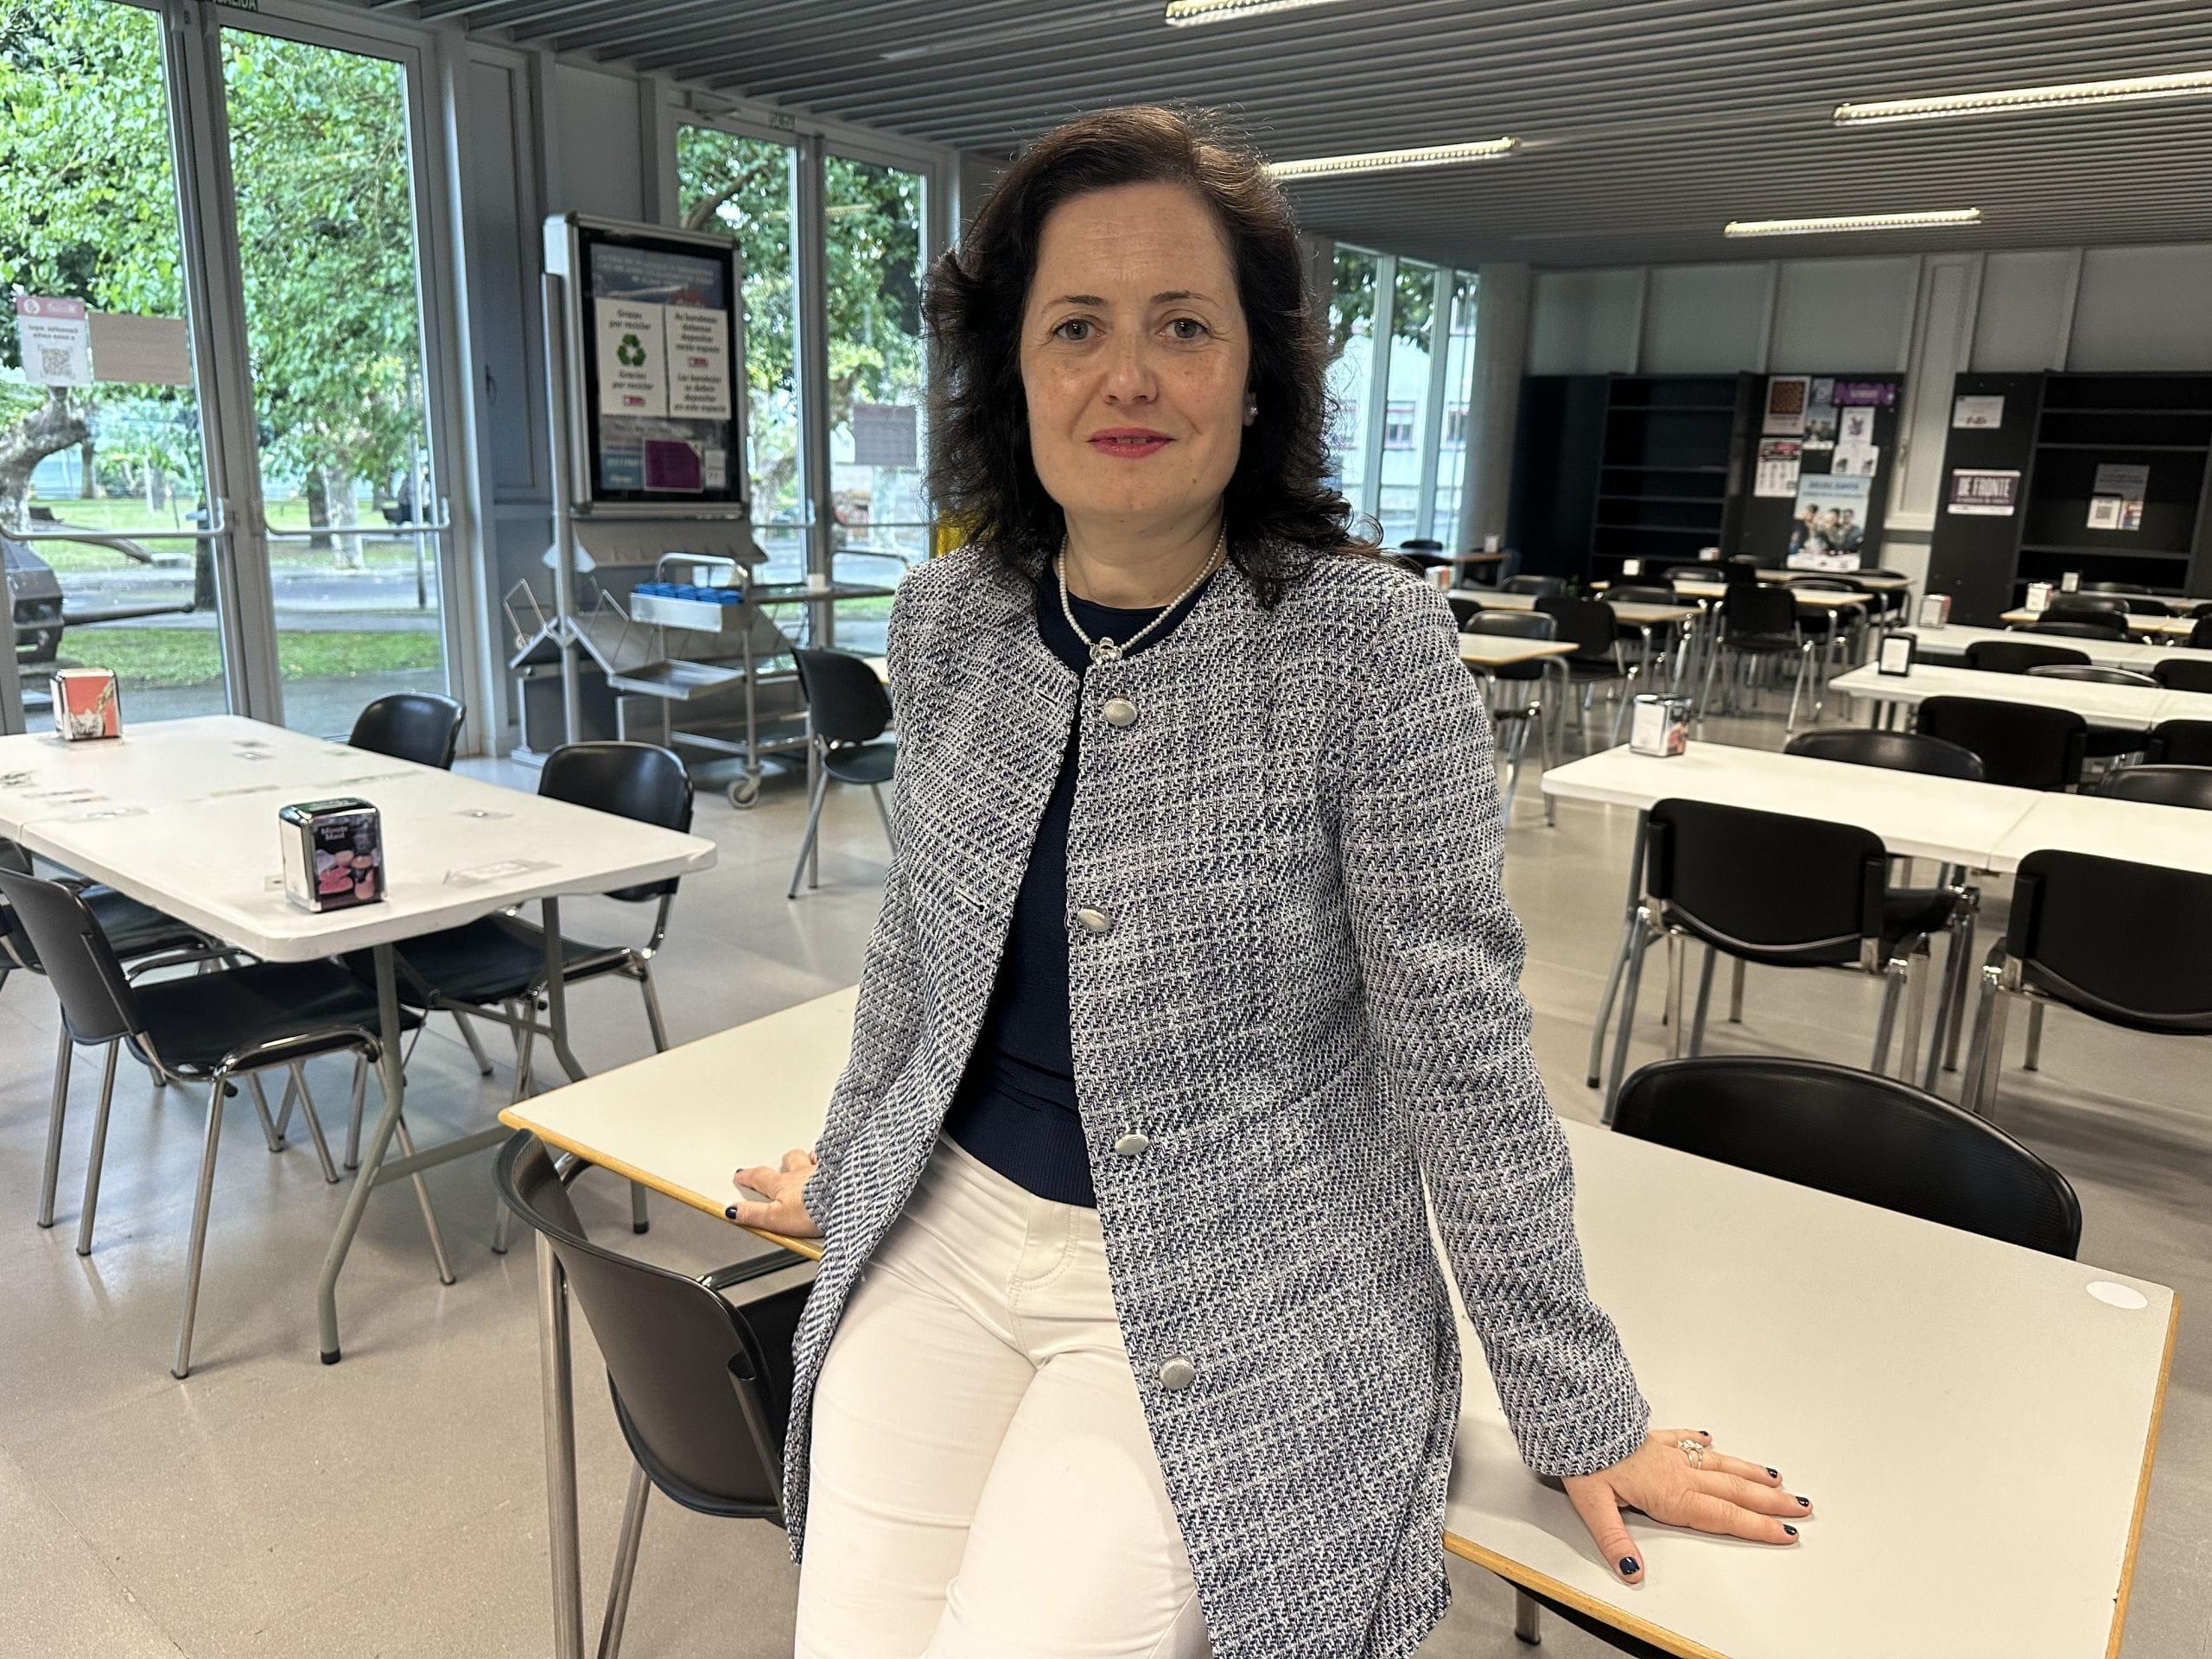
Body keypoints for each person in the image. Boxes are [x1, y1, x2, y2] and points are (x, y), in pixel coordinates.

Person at [733, 106, 1806, 1659]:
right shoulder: (951, 617)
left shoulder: (1367, 647)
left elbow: (1459, 1052)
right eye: (1076, 327)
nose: (1128, 375)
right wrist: (853, 1168)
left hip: (1240, 1276)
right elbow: (920, 956)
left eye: (1183, 325)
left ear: (1256, 377)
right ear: (1015, 375)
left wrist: (1578, 1402)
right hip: (948, 1226)